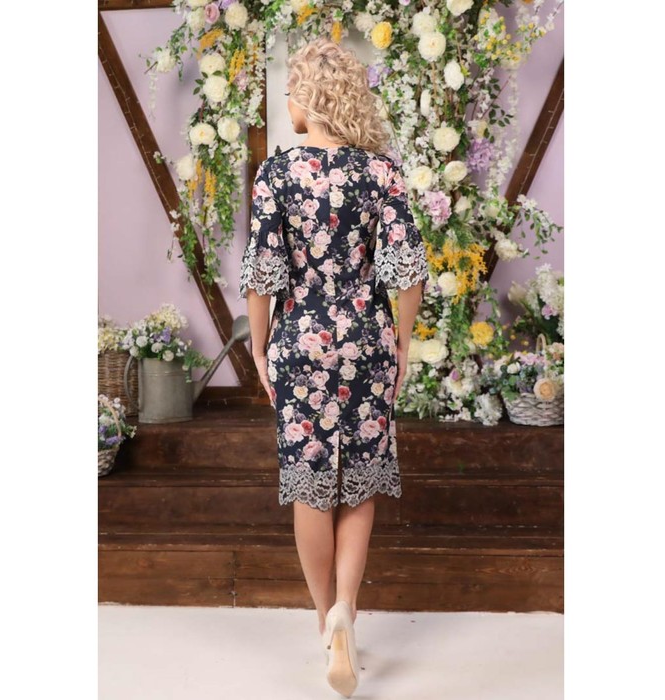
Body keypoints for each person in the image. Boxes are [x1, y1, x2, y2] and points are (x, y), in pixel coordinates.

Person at [238, 37, 428, 697]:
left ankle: (327, 623)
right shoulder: (381, 172)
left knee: (310, 483)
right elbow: (407, 271)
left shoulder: (276, 174)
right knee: (361, 480)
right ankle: (349, 605)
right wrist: (401, 342)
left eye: (291, 92)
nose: (287, 102)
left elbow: (263, 274)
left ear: (310, 100)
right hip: (368, 341)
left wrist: (259, 346)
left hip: (300, 342)